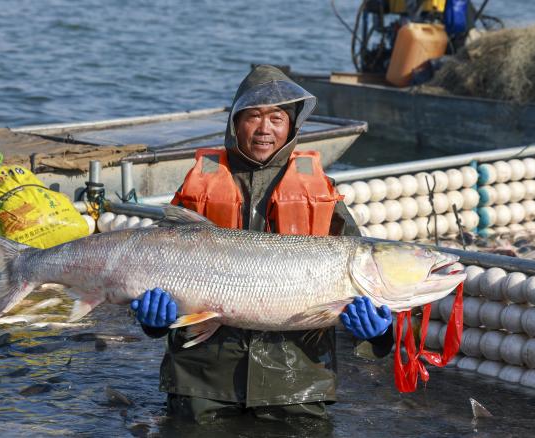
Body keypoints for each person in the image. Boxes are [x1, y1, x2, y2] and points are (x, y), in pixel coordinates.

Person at [130, 65, 393, 423]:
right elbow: (152, 281)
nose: (264, 128)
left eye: (277, 117)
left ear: (292, 127)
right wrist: (152, 321)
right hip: (201, 386)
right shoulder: (198, 188)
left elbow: (363, 281)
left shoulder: (323, 194)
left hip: (298, 387)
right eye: (253, 116)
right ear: (235, 123)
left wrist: (381, 335)